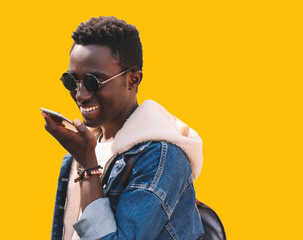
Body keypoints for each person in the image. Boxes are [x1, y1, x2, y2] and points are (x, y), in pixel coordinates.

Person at [42, 16, 205, 240]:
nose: (81, 94)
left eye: (93, 82)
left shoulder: (161, 156)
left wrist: (89, 168)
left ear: (133, 80)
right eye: (72, 81)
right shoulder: (84, 148)